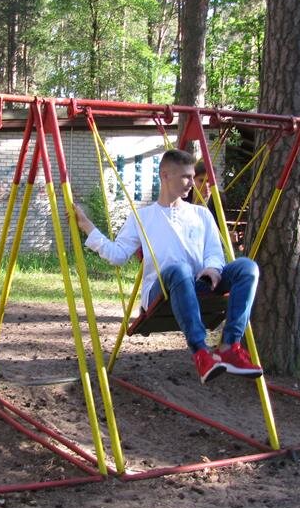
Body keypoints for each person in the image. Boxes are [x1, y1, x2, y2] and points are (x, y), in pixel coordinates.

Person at [74, 148, 262, 384]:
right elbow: (117, 255)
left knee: (247, 267)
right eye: (186, 177)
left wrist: (213, 268)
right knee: (179, 268)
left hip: (200, 283)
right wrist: (88, 227)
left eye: (192, 177)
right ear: (165, 175)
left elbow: (214, 253)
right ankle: (201, 353)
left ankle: (230, 347)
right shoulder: (143, 217)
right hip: (162, 290)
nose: (192, 183)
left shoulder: (201, 214)